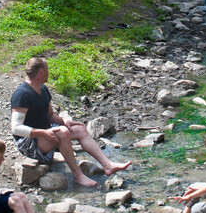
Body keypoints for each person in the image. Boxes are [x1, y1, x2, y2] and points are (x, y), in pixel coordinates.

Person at [11, 57, 131, 189]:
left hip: (46, 134)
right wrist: (44, 133)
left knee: (80, 129)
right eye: (47, 69)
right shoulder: (22, 94)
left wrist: (65, 121)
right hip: (28, 143)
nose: (49, 72)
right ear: (40, 72)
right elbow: (16, 128)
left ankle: (108, 165)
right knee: (62, 133)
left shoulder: (43, 89)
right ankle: (78, 175)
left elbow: (50, 116)